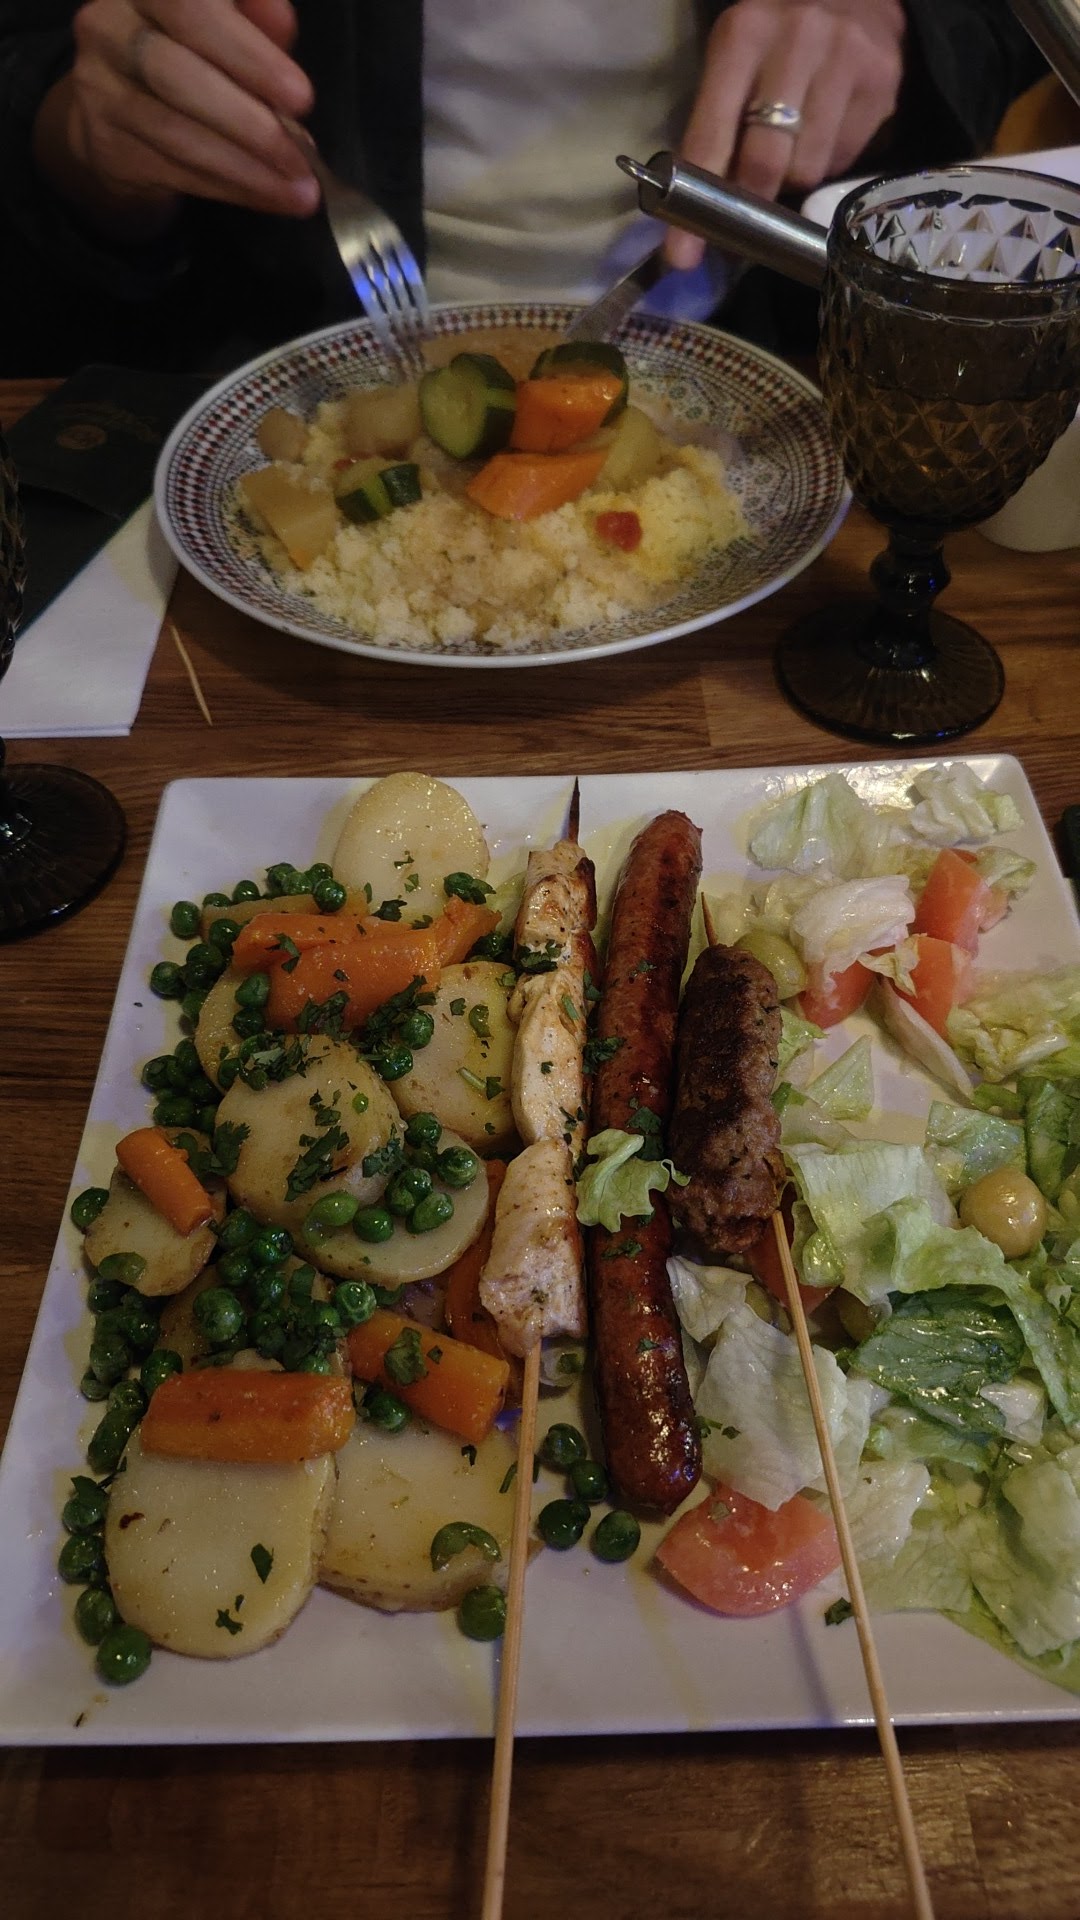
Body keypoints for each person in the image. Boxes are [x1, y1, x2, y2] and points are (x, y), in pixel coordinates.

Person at [0, 0, 1048, 376]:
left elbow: (1012, 25)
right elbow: (34, 56)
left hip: (785, 363)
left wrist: (902, 21)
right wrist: (85, 135)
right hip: (261, 352)